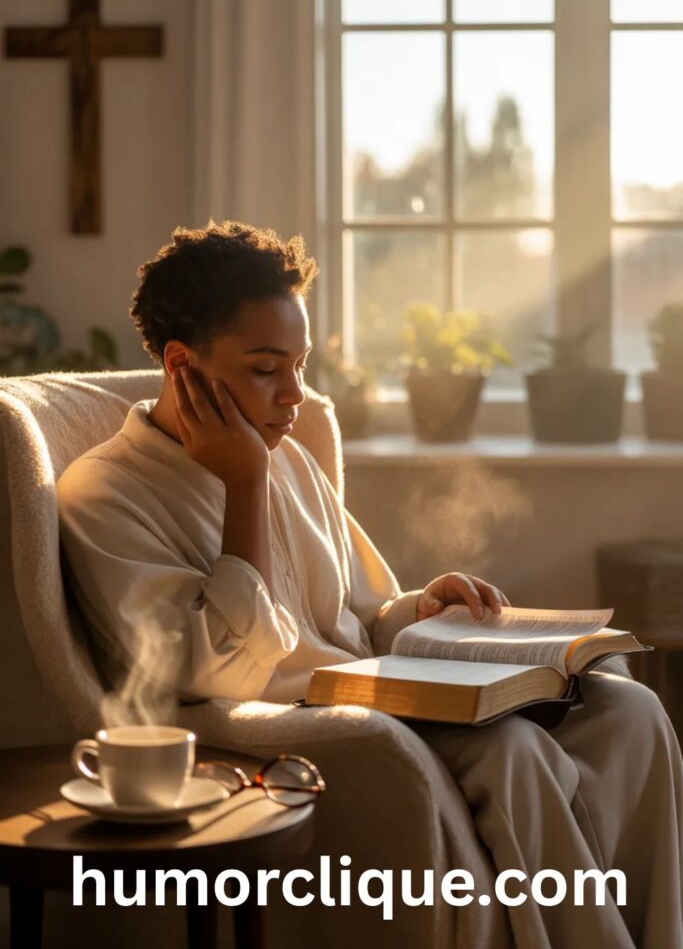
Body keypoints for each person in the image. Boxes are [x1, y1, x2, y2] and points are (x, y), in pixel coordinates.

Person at [57, 220, 683, 948]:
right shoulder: (106, 492)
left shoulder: (286, 458)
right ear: (180, 364)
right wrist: (244, 486)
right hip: (295, 725)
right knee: (514, 752)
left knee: (630, 710)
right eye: (265, 368)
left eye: (300, 365)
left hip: (390, 691)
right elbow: (216, 670)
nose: (293, 394)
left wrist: (422, 606)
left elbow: (362, 611)